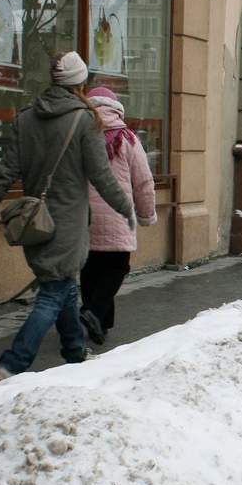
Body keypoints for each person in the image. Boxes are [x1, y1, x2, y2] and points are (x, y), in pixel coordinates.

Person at [0, 52, 134, 383]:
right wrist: (125, 208)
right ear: (81, 83)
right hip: (68, 225)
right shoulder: (84, 120)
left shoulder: (26, 117)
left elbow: (5, 173)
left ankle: (75, 353)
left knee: (64, 289)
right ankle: (13, 363)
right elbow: (102, 175)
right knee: (52, 294)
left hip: (36, 222)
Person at [77, 87, 157, 346]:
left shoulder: (80, 135)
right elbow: (143, 181)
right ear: (116, 109)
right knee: (117, 267)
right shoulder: (128, 138)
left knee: (91, 269)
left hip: (83, 215)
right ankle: (93, 312)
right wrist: (146, 215)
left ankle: (101, 322)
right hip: (118, 214)